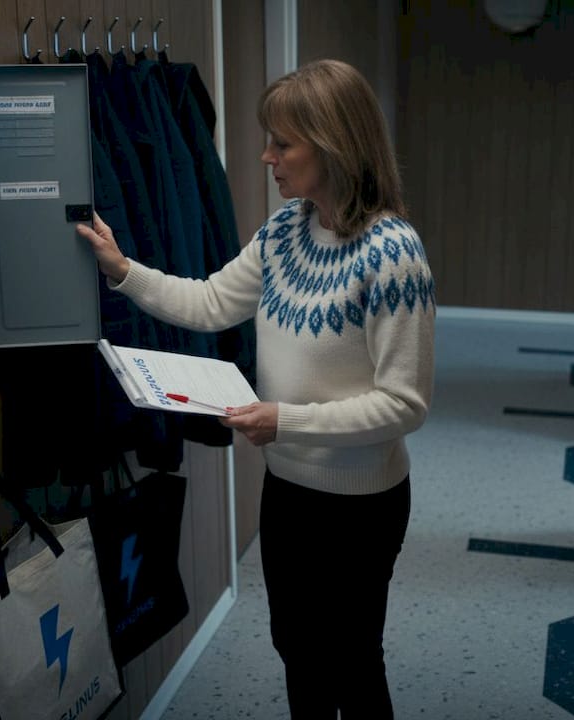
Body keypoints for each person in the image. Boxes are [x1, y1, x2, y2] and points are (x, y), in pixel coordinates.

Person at [78, 58, 435, 718]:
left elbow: (404, 403)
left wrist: (285, 421)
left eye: (283, 142)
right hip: (288, 490)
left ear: (332, 145)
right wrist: (123, 270)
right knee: (295, 648)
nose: (267, 155)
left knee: (352, 662)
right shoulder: (284, 231)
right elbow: (212, 301)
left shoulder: (393, 253)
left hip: (361, 505)